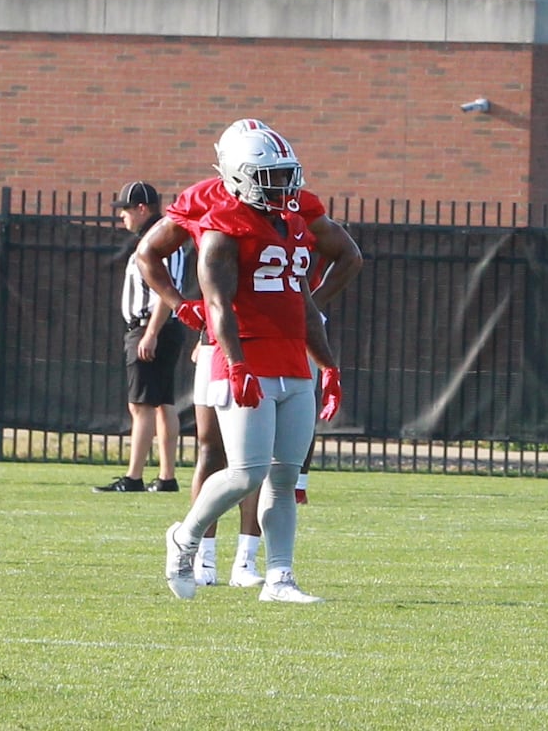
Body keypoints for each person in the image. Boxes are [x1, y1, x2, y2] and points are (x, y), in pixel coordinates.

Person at [140, 119, 361, 586]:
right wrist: (189, 315)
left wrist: (328, 364)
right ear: (238, 174)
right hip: (237, 348)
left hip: (291, 355)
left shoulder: (296, 219)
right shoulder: (217, 216)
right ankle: (189, 541)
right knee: (240, 467)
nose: (285, 187)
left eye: (287, 175)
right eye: (272, 176)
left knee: (284, 476)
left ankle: (275, 576)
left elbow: (302, 294)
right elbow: (211, 295)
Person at [94, 181, 187, 494]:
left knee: (142, 405)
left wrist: (150, 333)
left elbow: (166, 289)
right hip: (157, 327)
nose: (123, 217)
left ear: (141, 208)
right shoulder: (159, 237)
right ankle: (166, 477)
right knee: (162, 402)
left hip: (152, 326)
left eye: (125, 210)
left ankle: (134, 477)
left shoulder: (160, 238)